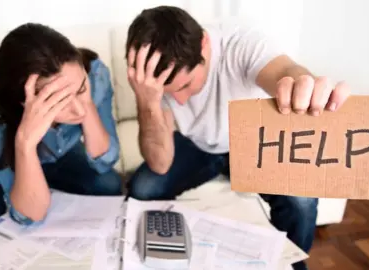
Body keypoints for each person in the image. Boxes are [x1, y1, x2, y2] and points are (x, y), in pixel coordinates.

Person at [124, 6, 350, 270]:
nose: (180, 101)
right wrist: (148, 101)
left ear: (204, 45)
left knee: (301, 200)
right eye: (168, 93)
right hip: (197, 143)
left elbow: (284, 71)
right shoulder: (151, 81)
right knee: (143, 188)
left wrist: (303, 85)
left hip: (252, 140)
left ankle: (294, 266)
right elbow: (160, 164)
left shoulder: (240, 41)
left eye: (185, 86)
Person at [0, 23, 122, 270]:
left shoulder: (94, 74)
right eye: (60, 101)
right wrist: (25, 144)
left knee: (109, 184)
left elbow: (105, 160)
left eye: (80, 88)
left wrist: (86, 100)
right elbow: (29, 215)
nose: (78, 111)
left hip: (52, 150)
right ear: (25, 101)